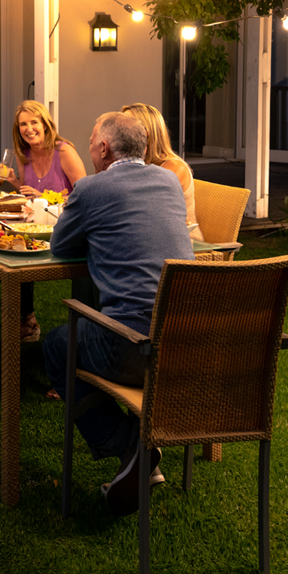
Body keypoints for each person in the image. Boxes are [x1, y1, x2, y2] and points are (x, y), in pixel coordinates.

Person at [42, 111, 194, 517]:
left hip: (131, 347)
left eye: (92, 141)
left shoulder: (91, 189)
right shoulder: (168, 181)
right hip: (184, 344)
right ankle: (139, 457)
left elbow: (60, 247)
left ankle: (129, 446)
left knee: (57, 346)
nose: (90, 147)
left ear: (104, 148)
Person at [8, 99, 87, 342]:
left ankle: (81, 326)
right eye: (23, 124)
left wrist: (42, 196)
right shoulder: (24, 155)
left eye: (34, 122)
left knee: (20, 246)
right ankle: (24, 317)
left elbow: (84, 193)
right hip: (35, 225)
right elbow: (29, 193)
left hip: (65, 227)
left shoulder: (63, 151)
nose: (28, 128)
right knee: (14, 249)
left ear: (45, 124)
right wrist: (14, 183)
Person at [121, 102, 204, 241]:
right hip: (151, 238)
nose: (121, 133)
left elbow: (142, 206)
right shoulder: (140, 164)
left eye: (126, 128)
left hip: (185, 243)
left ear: (147, 133)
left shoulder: (174, 168)